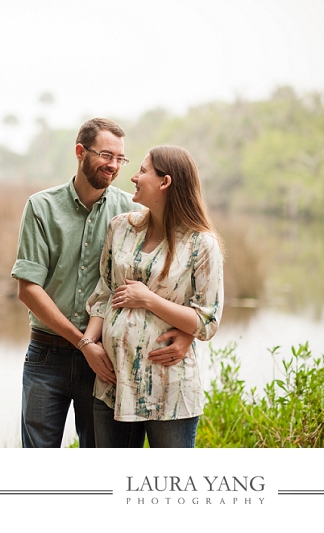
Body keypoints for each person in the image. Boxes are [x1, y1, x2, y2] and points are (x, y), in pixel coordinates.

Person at [11, 119, 196, 448]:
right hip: (47, 355)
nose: (114, 166)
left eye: (120, 159)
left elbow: (180, 269)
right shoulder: (41, 207)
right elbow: (28, 289)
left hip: (108, 361)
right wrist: (83, 343)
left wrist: (187, 332)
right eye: (105, 155)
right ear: (80, 152)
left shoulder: (132, 210)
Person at [83, 145, 224, 448]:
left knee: (169, 486)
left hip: (169, 390)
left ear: (165, 182)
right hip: (113, 385)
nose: (133, 176)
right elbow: (103, 295)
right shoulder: (121, 227)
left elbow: (206, 321)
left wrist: (149, 299)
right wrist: (88, 344)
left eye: (143, 171)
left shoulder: (201, 244)